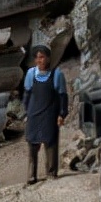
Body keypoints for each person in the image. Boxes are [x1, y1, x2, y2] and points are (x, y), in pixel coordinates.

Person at [23, 45, 67, 184]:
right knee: (32, 145)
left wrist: (62, 114)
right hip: (34, 114)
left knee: (51, 144)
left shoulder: (57, 74)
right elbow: (27, 94)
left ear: (48, 58)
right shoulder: (31, 74)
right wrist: (26, 112)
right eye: (36, 57)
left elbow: (62, 96)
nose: (39, 60)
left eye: (42, 57)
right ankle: (31, 176)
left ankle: (51, 173)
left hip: (49, 114)